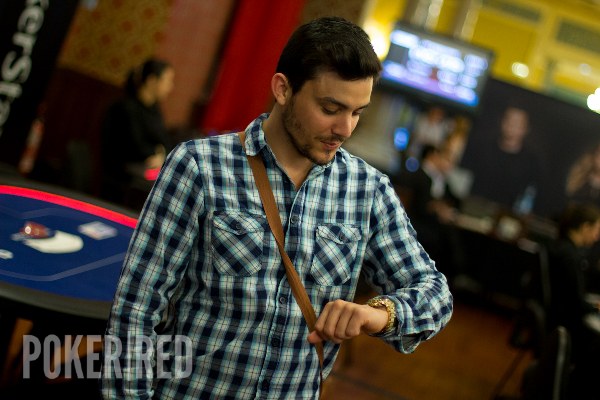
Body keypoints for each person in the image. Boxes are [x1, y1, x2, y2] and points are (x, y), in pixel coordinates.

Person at [100, 17, 453, 399]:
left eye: (357, 112)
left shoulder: (367, 191)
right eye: (330, 108)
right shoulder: (199, 167)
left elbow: (435, 294)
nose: (345, 129)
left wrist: (377, 314)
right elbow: (136, 308)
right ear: (283, 89)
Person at [100, 57, 175, 206]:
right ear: (152, 80)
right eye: (168, 81)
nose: (171, 87)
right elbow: (135, 147)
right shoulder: (126, 108)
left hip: (144, 171)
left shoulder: (154, 109)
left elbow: (165, 141)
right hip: (123, 178)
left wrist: (161, 156)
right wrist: (156, 154)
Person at [547, 203, 600, 398]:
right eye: (596, 230)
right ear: (585, 227)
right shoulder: (569, 256)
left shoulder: (561, 248)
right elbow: (576, 302)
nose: (597, 236)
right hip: (565, 328)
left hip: (556, 322)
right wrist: (596, 308)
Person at [395, 144, 462, 281]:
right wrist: (438, 210)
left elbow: (453, 199)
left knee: (449, 232)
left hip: (428, 222)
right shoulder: (419, 176)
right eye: (446, 159)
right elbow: (422, 206)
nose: (449, 164)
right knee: (445, 235)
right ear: (434, 156)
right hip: (416, 222)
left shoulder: (439, 179)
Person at [466, 106, 543, 212]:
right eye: (509, 120)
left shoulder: (531, 162)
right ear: (502, 122)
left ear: (526, 129)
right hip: (472, 210)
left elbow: (531, 196)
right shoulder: (482, 148)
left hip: (507, 216)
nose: (511, 125)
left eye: (517, 123)